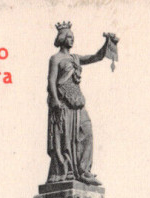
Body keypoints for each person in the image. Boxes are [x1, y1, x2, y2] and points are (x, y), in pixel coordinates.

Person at [47, 24, 117, 185]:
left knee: (87, 131)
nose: (72, 39)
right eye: (69, 37)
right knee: (65, 139)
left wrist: (108, 42)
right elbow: (51, 81)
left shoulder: (76, 58)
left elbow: (96, 57)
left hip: (77, 101)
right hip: (63, 103)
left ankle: (84, 171)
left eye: (73, 37)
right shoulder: (55, 59)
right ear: (62, 39)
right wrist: (56, 100)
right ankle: (68, 170)